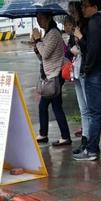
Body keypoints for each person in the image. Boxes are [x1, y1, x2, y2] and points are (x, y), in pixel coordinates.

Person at [73, 0, 101, 161]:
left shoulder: (94, 23)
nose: (83, 9)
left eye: (85, 6)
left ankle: (91, 149)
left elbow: (92, 50)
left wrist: (86, 69)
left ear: (94, 6)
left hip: (96, 73)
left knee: (94, 113)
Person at [32, 12, 71, 146]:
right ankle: (45, 134)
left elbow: (46, 53)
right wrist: (36, 46)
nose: (39, 22)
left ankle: (64, 137)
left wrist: (38, 41)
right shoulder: (48, 34)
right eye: (37, 19)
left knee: (54, 106)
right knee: (46, 106)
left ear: (49, 18)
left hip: (55, 75)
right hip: (50, 75)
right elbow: (42, 57)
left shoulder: (54, 33)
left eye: (41, 18)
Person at [63, 10, 91, 155]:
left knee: (89, 109)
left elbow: (89, 49)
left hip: (85, 72)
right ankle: (85, 141)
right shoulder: (73, 35)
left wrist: (79, 45)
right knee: (83, 110)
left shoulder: (86, 28)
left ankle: (91, 143)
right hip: (77, 73)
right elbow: (68, 53)